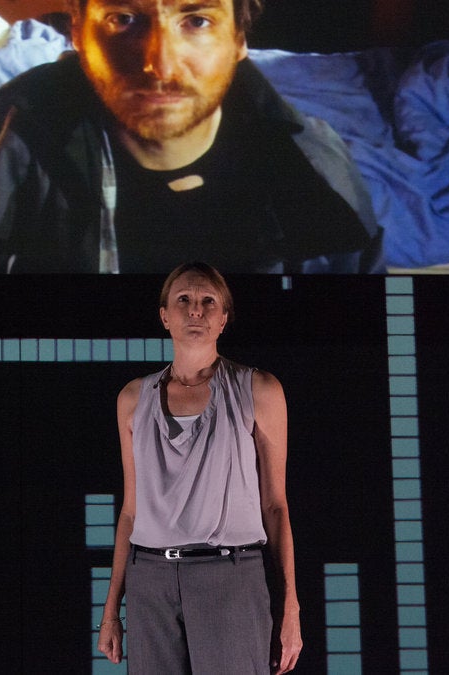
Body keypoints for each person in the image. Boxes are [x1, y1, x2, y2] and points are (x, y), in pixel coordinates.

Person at [0, 0, 382, 274]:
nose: (159, 64)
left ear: (240, 40)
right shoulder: (13, 142)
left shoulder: (309, 166)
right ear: (77, 36)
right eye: (122, 18)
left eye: (196, 21)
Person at [97, 262, 301, 673]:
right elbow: (131, 510)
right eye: (184, 301)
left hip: (229, 575)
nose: (196, 310)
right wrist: (111, 608)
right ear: (165, 316)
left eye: (208, 301)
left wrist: (290, 606)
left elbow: (275, 505)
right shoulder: (133, 399)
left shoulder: (257, 389)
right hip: (150, 579)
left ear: (223, 318)